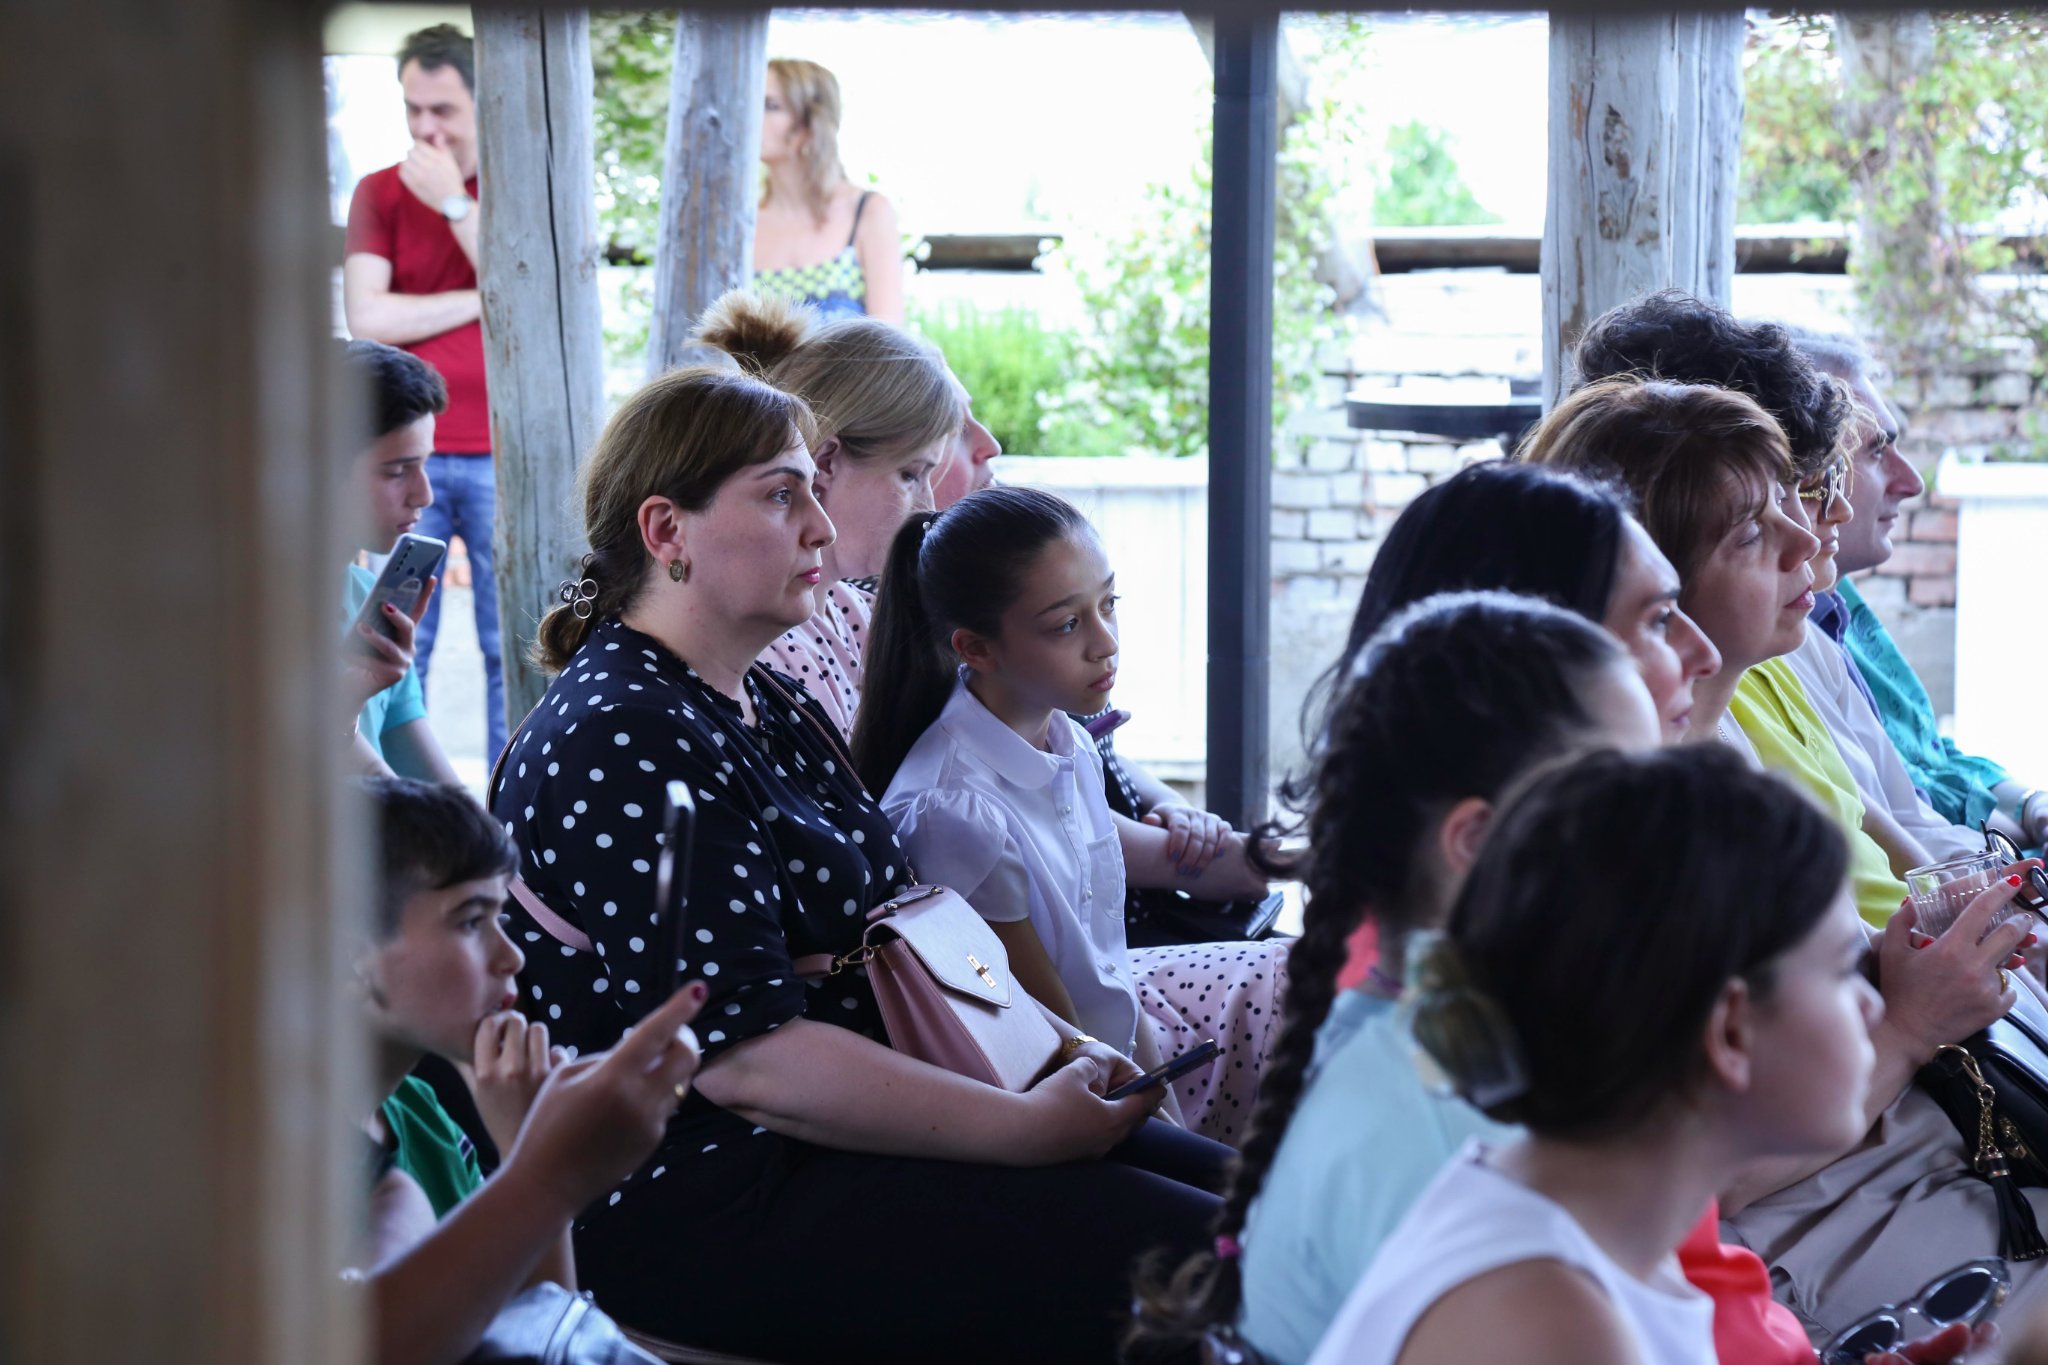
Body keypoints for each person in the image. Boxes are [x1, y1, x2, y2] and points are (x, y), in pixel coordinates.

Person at [488, 364, 1231, 1364]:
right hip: (714, 1190)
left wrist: (1061, 1048)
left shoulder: (755, 698)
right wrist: (1020, 1127)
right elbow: (746, 1062)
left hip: (848, 1130)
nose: (821, 528)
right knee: (1214, 1260)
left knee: (1257, 1208)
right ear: (666, 531)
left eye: (813, 490)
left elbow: (905, 928)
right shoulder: (623, 734)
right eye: (780, 496)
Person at [1129, 592, 1667, 1365]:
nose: (1667, 835)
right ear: (1476, 840)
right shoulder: (1421, 1132)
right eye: (1630, 802)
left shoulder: (1453, 1031)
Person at [1305, 746, 1885, 1365]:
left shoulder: (1589, 1230)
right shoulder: (1551, 1324)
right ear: (1731, 1030)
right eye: (1842, 969)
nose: (1872, 1007)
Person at [855, 487, 1283, 1142]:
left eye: (1108, 604)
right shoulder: (955, 813)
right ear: (977, 649)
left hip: (1115, 1069)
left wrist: (1168, 1110)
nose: (1105, 643)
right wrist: (1173, 1139)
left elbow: (1108, 975)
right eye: (1066, 625)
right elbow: (1055, 1037)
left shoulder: (1069, 743)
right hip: (1051, 1104)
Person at [1573, 290, 1992, 860]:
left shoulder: (1795, 641)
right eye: (1814, 485)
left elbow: (1898, 818)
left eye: (1798, 488)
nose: (1812, 530)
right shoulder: (1684, 718)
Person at [1520, 375, 1922, 925]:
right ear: (1657, 570)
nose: (1805, 539)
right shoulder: (1643, 813)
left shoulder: (1744, 702)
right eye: (1750, 534)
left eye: (1786, 498)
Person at [352, 775, 705, 1365]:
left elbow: (541, 1335)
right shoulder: (268, 1158)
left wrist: (526, 1142)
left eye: (502, 919)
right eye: (470, 921)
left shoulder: (422, 1117)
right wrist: (548, 1174)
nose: (510, 956)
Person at [1794, 328, 2048, 846]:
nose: (1912, 482)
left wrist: (2028, 802)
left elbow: (1926, 749)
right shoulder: (1783, 631)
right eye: (1875, 452)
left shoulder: (1839, 601)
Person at [344, 23, 505, 763]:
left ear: (481, 104)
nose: (426, 128)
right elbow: (368, 317)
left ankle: (503, 808)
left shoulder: (506, 186)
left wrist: (453, 204)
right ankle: (411, 812)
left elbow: (531, 293)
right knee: (400, 639)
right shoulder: (378, 190)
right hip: (404, 450)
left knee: (509, 642)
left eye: (443, 109)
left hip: (501, 451)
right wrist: (484, 297)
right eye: (413, 109)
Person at [699, 290, 960, 736]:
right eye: (910, 475)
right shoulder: (758, 646)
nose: (928, 507)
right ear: (825, 464)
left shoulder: (857, 612)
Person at [339, 339, 462, 787]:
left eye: (424, 464)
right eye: (396, 471)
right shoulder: (255, 618)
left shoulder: (365, 595)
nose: (423, 495)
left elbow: (434, 789)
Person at [753, 58, 902, 324]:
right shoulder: (742, 225)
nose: (750, 116)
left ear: (810, 124)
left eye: (770, 106)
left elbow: (889, 340)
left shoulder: (868, 212)